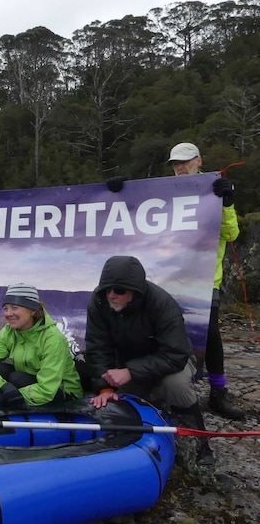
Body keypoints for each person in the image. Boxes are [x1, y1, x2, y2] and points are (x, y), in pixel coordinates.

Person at [107, 142, 244, 420]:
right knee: (151, 331)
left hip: (203, 280)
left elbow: (230, 236)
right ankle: (154, 383)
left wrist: (227, 204)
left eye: (186, 161)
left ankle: (218, 392)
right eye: (175, 163)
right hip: (163, 279)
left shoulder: (213, 191)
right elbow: (132, 222)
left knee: (210, 336)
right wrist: (117, 192)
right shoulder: (162, 194)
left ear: (199, 161)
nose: (180, 167)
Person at [85, 255, 214, 463]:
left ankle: (199, 444)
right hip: (128, 363)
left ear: (135, 291)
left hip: (172, 362)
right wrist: (105, 388)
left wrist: (131, 372)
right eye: (107, 289)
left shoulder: (162, 304)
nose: (111, 295)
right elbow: (97, 347)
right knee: (120, 402)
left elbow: (176, 354)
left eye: (119, 290)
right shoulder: (99, 302)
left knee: (175, 386)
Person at [0, 284, 83, 409]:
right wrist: (3, 387)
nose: (8, 314)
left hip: (62, 393)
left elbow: (47, 389)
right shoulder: (9, 332)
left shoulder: (52, 338)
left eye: (14, 307)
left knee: (17, 378)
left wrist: (4, 399)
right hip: (30, 382)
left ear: (33, 310)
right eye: (5, 308)